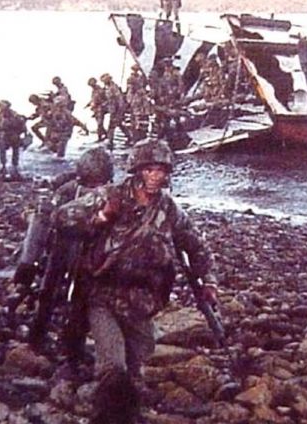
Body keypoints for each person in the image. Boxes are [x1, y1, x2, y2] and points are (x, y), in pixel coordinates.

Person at [53, 138, 219, 423]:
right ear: (137, 170)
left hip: (143, 299)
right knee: (112, 364)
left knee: (137, 360)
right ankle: (110, 415)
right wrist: (103, 216)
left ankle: (125, 403)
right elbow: (62, 218)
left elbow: (196, 246)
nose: (156, 176)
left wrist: (209, 282)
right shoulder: (110, 196)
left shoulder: (169, 210)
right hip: (103, 293)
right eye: (150, 169)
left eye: (162, 171)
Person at [15, 146, 115, 366]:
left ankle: (72, 346)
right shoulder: (67, 191)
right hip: (62, 246)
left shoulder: (109, 195)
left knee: (81, 297)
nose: (95, 188)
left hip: (89, 252)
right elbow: (41, 223)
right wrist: (28, 262)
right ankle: (38, 334)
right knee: (49, 291)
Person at [0, 100, 28, 179]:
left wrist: (22, 134)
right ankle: (3, 165)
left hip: (13, 135)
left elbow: (22, 125)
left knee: (15, 149)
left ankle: (14, 166)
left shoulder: (14, 115)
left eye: (1, 106)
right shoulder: (0, 114)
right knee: (2, 149)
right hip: (4, 135)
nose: (0, 108)